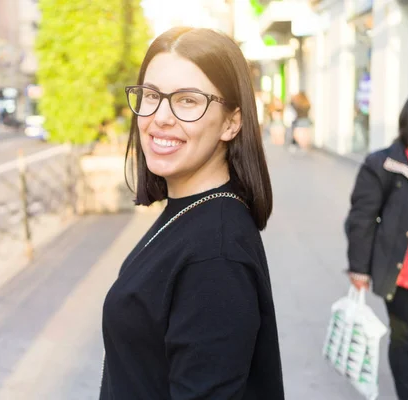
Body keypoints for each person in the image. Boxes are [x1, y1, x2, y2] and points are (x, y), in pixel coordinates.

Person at [100, 27, 284, 400]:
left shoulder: (214, 257)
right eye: (151, 96)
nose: (160, 118)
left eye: (187, 101)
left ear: (232, 122)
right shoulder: (190, 210)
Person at [345, 87, 408, 400]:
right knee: (406, 341)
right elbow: (361, 219)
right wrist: (359, 269)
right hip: (404, 276)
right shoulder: (383, 164)